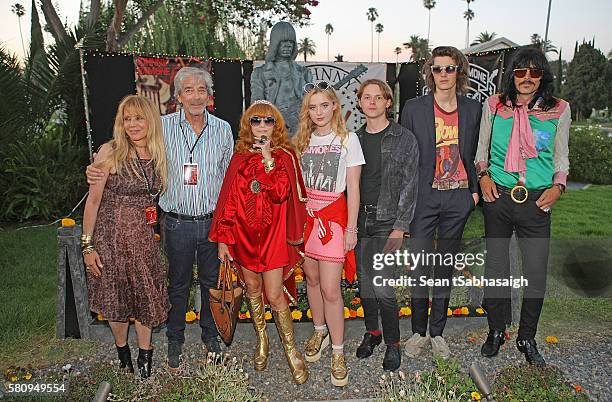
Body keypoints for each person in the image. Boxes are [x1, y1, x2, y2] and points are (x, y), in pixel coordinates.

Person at [86, 67, 234, 370]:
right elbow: (126, 146)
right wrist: (95, 167)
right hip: (175, 222)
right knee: (176, 285)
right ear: (178, 97)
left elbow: (229, 180)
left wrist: (228, 228)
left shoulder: (223, 130)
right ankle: (174, 339)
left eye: (201, 90)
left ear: (210, 96)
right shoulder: (161, 129)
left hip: (211, 222)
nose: (195, 96)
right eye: (188, 90)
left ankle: (211, 337)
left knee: (211, 284)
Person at [476, 47, 570, 366]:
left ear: (542, 75)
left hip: (538, 201)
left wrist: (559, 186)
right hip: (498, 198)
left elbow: (561, 156)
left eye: (534, 72)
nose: (527, 78)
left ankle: (526, 337)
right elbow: (481, 150)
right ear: (512, 74)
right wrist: (484, 176)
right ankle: (496, 331)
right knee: (496, 270)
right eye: (520, 72)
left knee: (535, 274)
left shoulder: (559, 109)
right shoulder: (495, 105)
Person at [209, 100, 309, 384]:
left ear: (276, 125)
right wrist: (224, 241)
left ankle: (292, 351)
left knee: (275, 294)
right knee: (252, 288)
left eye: (268, 120)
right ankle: (262, 341)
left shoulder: (285, 157)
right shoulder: (239, 158)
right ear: (247, 125)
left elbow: (279, 193)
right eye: (256, 120)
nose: (262, 125)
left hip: (274, 239)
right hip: (243, 238)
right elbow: (228, 202)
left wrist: (267, 158)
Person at [400, 46, 482, 360]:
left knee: (445, 267)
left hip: (458, 197)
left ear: (459, 72)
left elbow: (477, 152)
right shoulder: (413, 108)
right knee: (420, 267)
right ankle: (419, 332)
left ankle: (438, 333)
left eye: (450, 68)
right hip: (424, 197)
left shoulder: (473, 109)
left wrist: (472, 194)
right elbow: (405, 159)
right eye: (438, 68)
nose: (444, 74)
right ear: (429, 73)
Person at [82, 95, 169, 378]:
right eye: (127, 119)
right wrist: (87, 246)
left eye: (138, 118)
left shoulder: (158, 153)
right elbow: (93, 202)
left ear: (150, 121)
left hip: (143, 241)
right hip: (112, 239)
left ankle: (146, 356)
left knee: (146, 296)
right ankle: (123, 356)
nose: (132, 124)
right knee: (115, 300)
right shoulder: (111, 151)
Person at [294, 81, 365, 387]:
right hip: (307, 220)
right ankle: (319, 331)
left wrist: (351, 228)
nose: (319, 112)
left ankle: (338, 350)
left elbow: (354, 188)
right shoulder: (301, 141)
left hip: (333, 221)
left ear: (335, 105)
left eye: (324, 105)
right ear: (306, 111)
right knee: (310, 279)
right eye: (313, 106)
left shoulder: (348, 140)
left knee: (331, 289)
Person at [354, 79, 419, 371]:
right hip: (359, 220)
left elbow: (410, 185)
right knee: (366, 283)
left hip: (387, 221)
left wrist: (400, 226)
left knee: (383, 287)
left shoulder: (404, 138)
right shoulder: (353, 139)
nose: (371, 102)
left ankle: (393, 342)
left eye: (377, 97)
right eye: (366, 97)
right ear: (359, 103)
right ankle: (373, 333)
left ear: (387, 102)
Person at [251, 21, 312, 136]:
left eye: (291, 42)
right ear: (275, 43)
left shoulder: (304, 73)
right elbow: (256, 108)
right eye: (284, 41)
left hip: (301, 133)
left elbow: (311, 106)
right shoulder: (259, 73)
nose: (288, 45)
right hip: (272, 132)